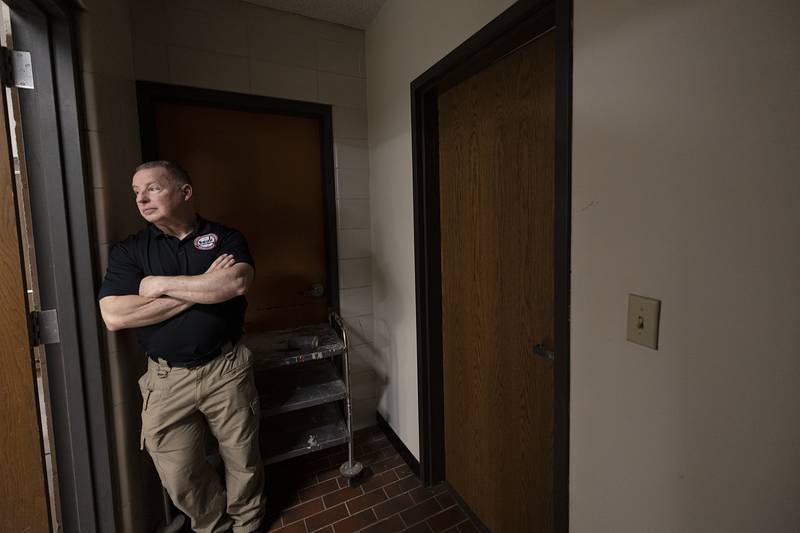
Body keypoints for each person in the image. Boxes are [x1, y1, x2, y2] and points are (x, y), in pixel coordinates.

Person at [98, 160, 265, 533]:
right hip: (166, 379)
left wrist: (158, 284)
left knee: (243, 458)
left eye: (153, 188)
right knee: (179, 473)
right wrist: (202, 284)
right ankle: (214, 526)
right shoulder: (130, 251)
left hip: (226, 367)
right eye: (136, 192)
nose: (142, 198)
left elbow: (236, 283)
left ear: (184, 192)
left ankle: (248, 525)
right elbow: (114, 315)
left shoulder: (225, 238)